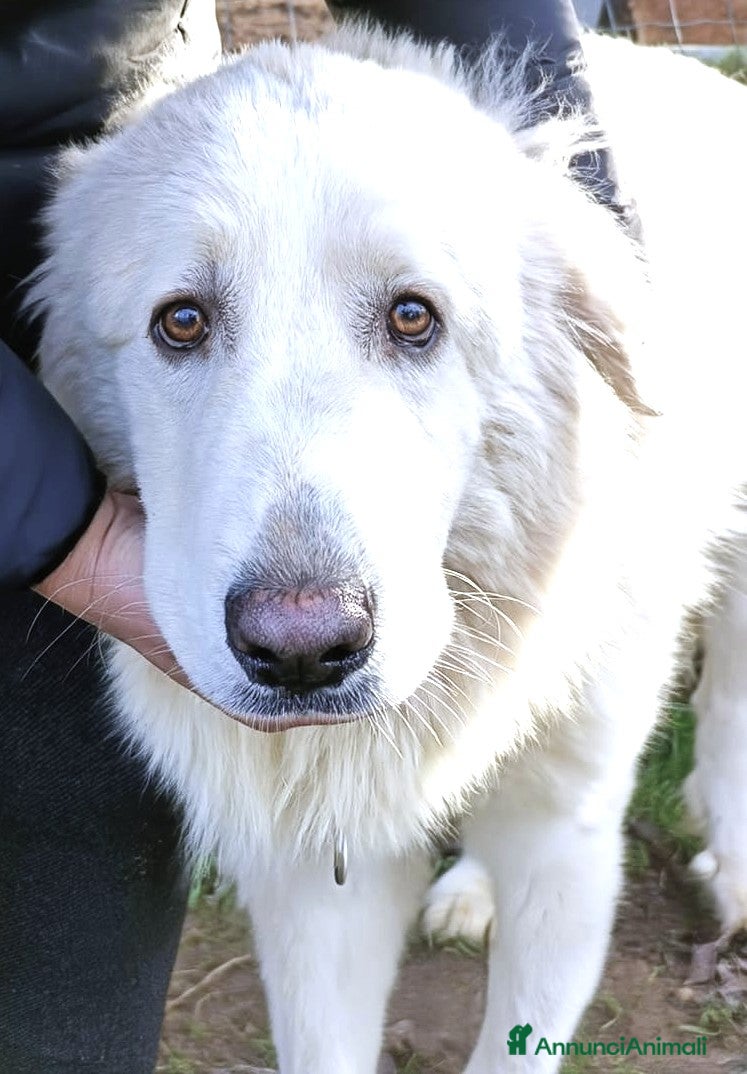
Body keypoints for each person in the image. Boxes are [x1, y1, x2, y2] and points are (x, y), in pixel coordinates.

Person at [0, 2, 632, 1071]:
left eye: (409, 319)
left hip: (118, 118)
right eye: (187, 323)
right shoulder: (87, 306)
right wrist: (56, 525)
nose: (301, 619)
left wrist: (587, 233)